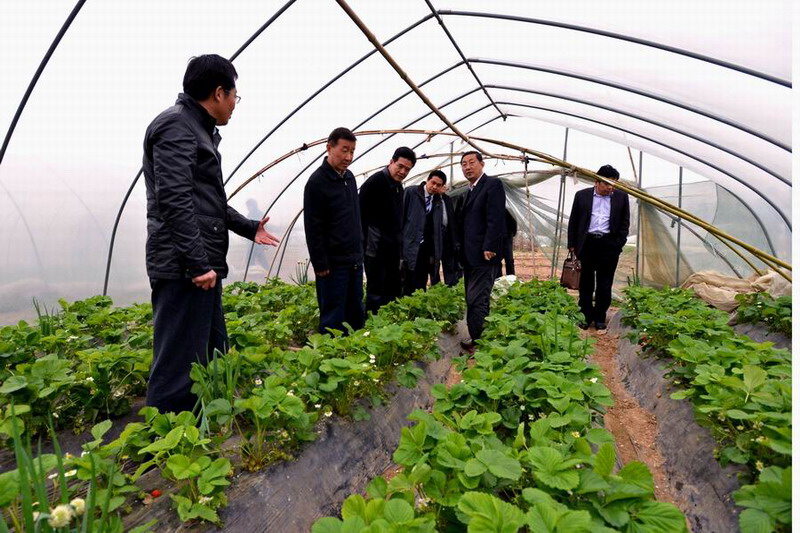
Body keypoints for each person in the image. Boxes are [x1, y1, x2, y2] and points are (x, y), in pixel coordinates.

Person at [143, 54, 280, 414]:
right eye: (235, 95)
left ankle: (204, 422)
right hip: (184, 267)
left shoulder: (197, 129)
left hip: (200, 264)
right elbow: (174, 200)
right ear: (219, 93)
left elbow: (207, 203)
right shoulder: (177, 127)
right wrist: (197, 263)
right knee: (178, 364)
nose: (235, 104)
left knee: (211, 349)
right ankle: (167, 434)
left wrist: (249, 227)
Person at [304, 127, 365, 334]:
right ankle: (331, 351)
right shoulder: (317, 182)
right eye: (344, 150)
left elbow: (354, 217)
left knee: (355, 310)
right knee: (333, 314)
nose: (349, 157)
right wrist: (320, 262)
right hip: (333, 264)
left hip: (354, 259)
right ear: (329, 148)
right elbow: (313, 226)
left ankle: (354, 350)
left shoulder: (349, 178)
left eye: (352, 151)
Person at [567, 164, 631, 330]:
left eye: (613, 184)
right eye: (606, 183)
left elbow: (624, 223)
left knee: (605, 283)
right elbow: (574, 221)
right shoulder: (582, 196)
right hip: (587, 243)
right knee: (586, 283)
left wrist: (618, 244)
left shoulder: (621, 197)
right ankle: (585, 316)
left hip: (609, 245)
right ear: (596, 181)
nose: (610, 187)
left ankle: (600, 317)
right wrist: (572, 245)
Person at [456, 151, 506, 352]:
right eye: (464, 164)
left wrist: (490, 246)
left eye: (471, 162)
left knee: (477, 299)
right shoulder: (470, 190)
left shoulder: (492, 185)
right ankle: (477, 337)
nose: (467, 167)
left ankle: (480, 343)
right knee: (473, 298)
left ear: (482, 164)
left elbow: (496, 217)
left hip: (484, 255)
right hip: (470, 256)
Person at [359, 147, 415, 313]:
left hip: (391, 248)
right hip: (375, 248)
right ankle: (373, 322)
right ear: (391, 162)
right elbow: (360, 217)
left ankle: (387, 321)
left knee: (391, 288)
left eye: (407, 169)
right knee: (376, 289)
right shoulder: (375, 183)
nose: (403, 172)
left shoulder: (398, 187)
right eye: (400, 166)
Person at [401, 169, 458, 294]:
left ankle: (419, 302)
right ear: (427, 180)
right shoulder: (411, 192)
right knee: (407, 280)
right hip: (410, 245)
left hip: (425, 248)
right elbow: (401, 217)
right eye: (433, 183)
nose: (434, 187)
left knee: (421, 280)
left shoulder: (437, 201)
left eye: (438, 185)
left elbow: (436, 228)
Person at [502, 208, 518, 276]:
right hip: (505, 237)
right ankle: (499, 278)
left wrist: (511, 234)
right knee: (508, 260)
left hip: (506, 237)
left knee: (508, 260)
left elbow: (514, 224)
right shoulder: (508, 210)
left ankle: (511, 278)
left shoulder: (508, 210)